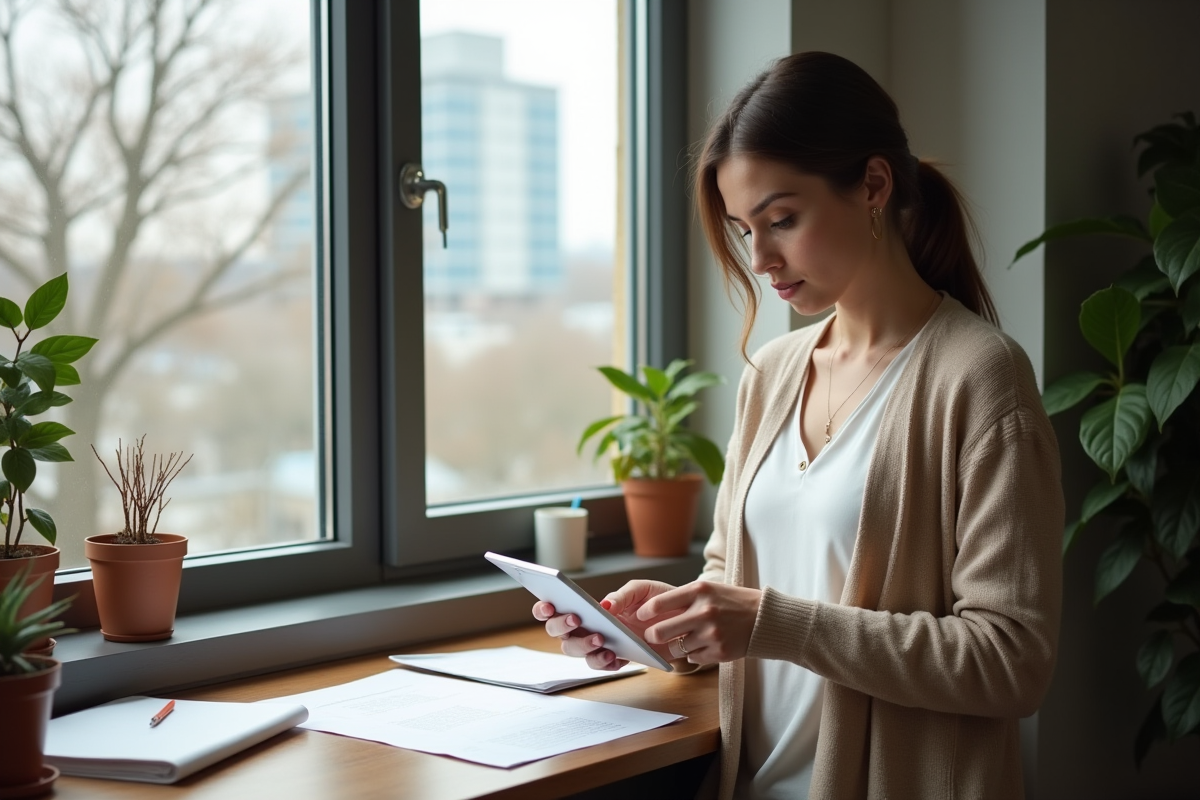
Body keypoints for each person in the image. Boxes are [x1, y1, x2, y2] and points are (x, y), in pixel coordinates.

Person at [534, 51, 1062, 800]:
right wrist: (667, 623)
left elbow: (1011, 662)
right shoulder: (773, 373)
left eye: (782, 219)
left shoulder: (980, 378)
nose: (760, 258)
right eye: (745, 228)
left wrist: (768, 623)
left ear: (874, 185)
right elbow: (736, 584)